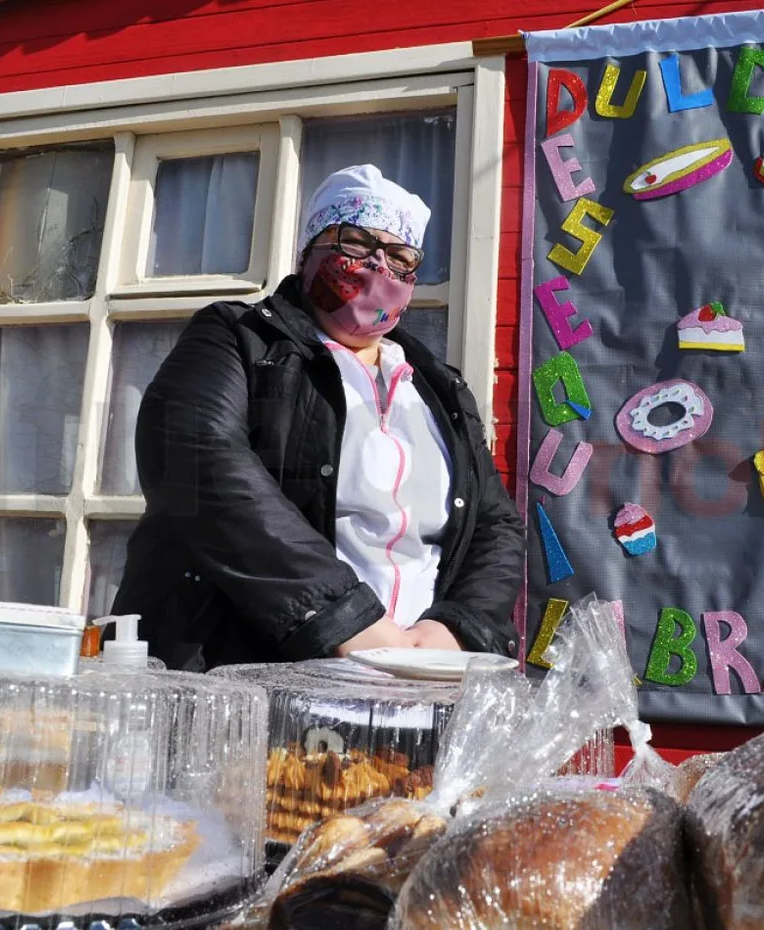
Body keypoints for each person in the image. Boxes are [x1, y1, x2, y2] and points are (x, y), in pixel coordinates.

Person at [112, 164, 525, 671]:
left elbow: (497, 524)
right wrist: (341, 617)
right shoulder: (237, 339)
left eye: (400, 257)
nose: (378, 266)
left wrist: (459, 626)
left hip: (417, 685)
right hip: (254, 676)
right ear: (311, 249)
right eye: (354, 242)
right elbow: (199, 460)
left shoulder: (438, 386)